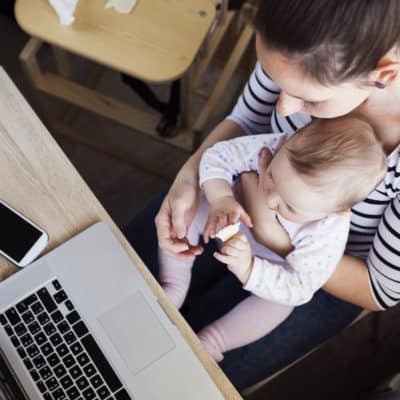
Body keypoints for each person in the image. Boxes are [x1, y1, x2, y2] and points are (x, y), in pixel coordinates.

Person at [124, 0, 400, 390]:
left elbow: (379, 288)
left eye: (310, 100)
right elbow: (246, 120)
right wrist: (189, 178)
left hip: (320, 274)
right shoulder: (302, 37)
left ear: (383, 73)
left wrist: (274, 237)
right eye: (276, 81)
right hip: (231, 196)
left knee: (180, 379)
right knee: (119, 289)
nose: (284, 109)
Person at [159, 117, 387, 362]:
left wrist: (250, 269)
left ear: (336, 212)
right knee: (191, 210)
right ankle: (173, 285)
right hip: (228, 217)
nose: (269, 201)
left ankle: (214, 341)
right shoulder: (278, 144)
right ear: (288, 142)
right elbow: (218, 156)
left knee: (280, 304)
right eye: (272, 179)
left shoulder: (329, 230)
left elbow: (300, 285)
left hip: (272, 264)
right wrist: (221, 197)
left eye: (289, 206)